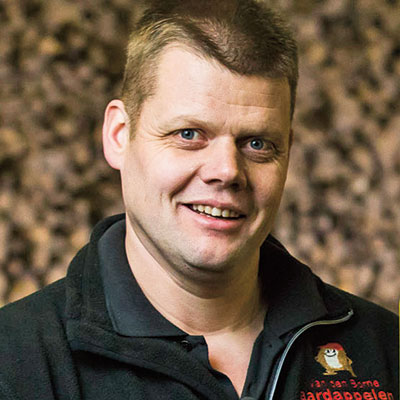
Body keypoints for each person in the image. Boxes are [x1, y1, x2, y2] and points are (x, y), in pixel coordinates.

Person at [0, 1, 397, 399]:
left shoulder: (385, 351)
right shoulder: (15, 364)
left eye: (257, 143)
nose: (227, 170)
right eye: (189, 134)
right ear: (119, 135)